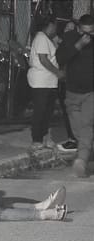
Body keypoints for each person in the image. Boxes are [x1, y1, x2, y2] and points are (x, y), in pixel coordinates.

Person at [56, 14, 94, 177]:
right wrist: (78, 46)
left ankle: (81, 160)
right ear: (78, 28)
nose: (88, 36)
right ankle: (86, 150)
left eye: (91, 33)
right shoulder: (71, 38)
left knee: (86, 126)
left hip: (90, 93)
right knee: (77, 129)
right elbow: (60, 58)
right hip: (72, 92)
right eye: (84, 32)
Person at [27, 15, 65, 151]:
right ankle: (36, 139)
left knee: (47, 111)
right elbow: (43, 59)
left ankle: (44, 137)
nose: (56, 28)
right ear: (51, 25)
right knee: (40, 111)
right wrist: (57, 72)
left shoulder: (47, 39)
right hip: (41, 81)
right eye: (55, 25)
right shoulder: (41, 38)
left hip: (48, 82)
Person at [56, 20, 78, 153]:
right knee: (67, 112)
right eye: (66, 29)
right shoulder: (63, 45)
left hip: (72, 84)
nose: (68, 32)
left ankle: (74, 140)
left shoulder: (76, 47)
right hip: (63, 82)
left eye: (71, 29)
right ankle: (73, 138)